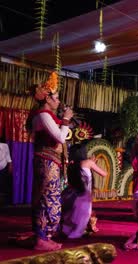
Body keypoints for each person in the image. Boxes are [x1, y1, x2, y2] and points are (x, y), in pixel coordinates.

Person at [29, 71, 74, 250]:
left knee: (51, 198)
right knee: (47, 198)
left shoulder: (49, 116)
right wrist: (66, 119)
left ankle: (45, 236)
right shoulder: (43, 115)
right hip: (46, 161)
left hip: (51, 162)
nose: (58, 101)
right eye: (55, 97)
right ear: (47, 99)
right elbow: (60, 138)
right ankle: (41, 238)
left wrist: (64, 120)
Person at [61, 144, 107, 239]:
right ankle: (75, 234)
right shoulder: (88, 162)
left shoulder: (71, 164)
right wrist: (93, 163)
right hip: (84, 195)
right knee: (83, 216)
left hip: (72, 194)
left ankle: (66, 230)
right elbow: (104, 174)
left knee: (71, 214)